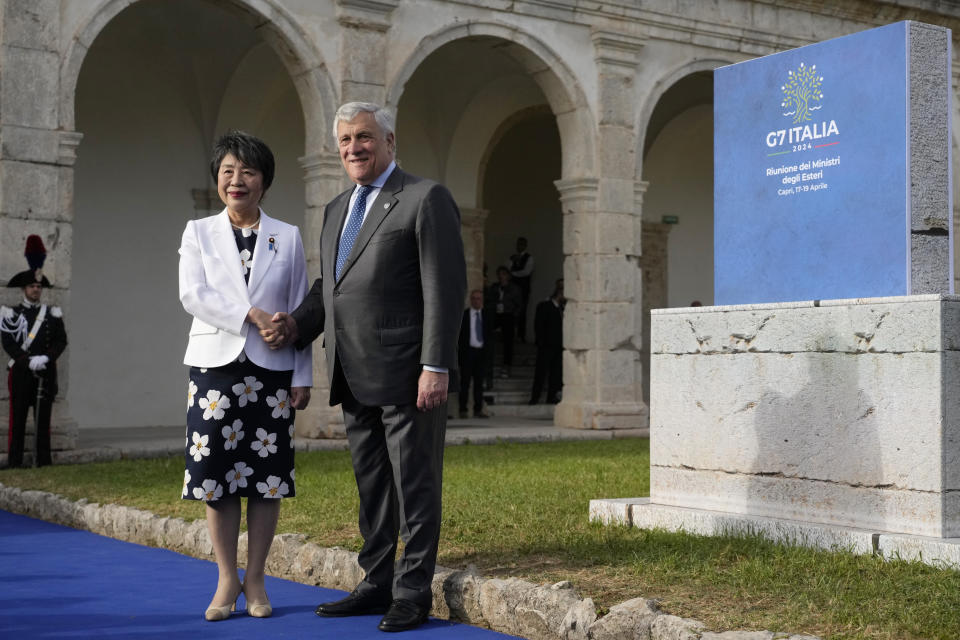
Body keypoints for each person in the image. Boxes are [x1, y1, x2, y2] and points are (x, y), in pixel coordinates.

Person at [264, 102, 466, 633]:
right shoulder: (336, 209)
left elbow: (443, 288)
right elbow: (328, 289)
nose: (355, 148)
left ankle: (413, 590)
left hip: (407, 373)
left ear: (390, 141)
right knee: (372, 486)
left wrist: (435, 364)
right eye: (347, 141)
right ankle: (376, 582)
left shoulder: (425, 198)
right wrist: (293, 327)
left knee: (415, 484)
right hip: (352, 374)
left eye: (365, 137)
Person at [178, 131, 311, 621]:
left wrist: (303, 373)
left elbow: (299, 308)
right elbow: (193, 296)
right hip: (214, 370)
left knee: (265, 479)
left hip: (272, 373)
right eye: (228, 171)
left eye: (248, 171)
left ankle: (256, 579)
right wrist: (252, 315)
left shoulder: (287, 236)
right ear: (218, 180)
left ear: (264, 181)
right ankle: (225, 578)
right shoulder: (198, 233)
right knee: (216, 477)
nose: (238, 180)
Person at [0, 235, 67, 468]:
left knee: (43, 422)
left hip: (45, 373)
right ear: (24, 289)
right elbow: (7, 341)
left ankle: (43, 462)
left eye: (39, 287)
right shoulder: (12, 314)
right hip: (21, 373)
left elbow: (61, 340)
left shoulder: (52, 313)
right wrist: (26, 360)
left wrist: (46, 357)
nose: (36, 290)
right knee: (17, 420)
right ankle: (15, 462)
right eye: (32, 286)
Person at [529, 279, 564, 405]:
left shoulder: (563, 309)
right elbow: (539, 326)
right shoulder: (544, 306)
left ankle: (551, 397)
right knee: (541, 373)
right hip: (546, 346)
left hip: (559, 346)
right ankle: (535, 398)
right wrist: (541, 343)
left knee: (555, 374)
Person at [458, 289, 491, 419]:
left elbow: (489, 335)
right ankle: (463, 409)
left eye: (479, 298)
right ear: (471, 300)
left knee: (479, 383)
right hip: (468, 353)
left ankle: (478, 409)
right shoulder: (464, 315)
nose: (476, 301)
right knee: (465, 383)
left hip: (481, 353)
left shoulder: (487, 315)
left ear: (482, 301)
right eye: (474, 298)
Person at [487, 266, 522, 377]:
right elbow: (488, 299)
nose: (500, 276)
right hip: (495, 314)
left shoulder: (514, 288)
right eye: (499, 274)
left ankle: (506, 365)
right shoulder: (495, 287)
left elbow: (519, 305)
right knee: (485, 333)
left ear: (508, 275)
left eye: (503, 274)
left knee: (508, 341)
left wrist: (514, 316)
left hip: (508, 315)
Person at [508, 237, 534, 343]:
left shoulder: (529, 258)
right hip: (512, 288)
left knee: (522, 311)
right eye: (518, 244)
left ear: (525, 245)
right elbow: (507, 267)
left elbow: (526, 272)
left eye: (522, 244)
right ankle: (510, 334)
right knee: (510, 309)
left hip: (523, 288)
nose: (520, 246)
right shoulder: (512, 257)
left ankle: (521, 336)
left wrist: (513, 274)